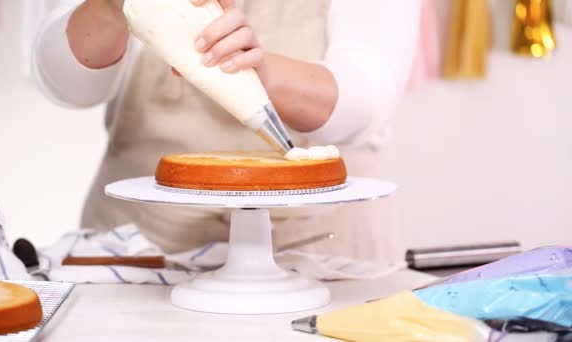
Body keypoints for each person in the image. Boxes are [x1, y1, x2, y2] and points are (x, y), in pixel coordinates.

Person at [32, 0, 420, 262]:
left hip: (321, 249)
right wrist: (112, 8)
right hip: (138, 242)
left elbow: (368, 94)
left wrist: (259, 74)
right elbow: (65, 84)